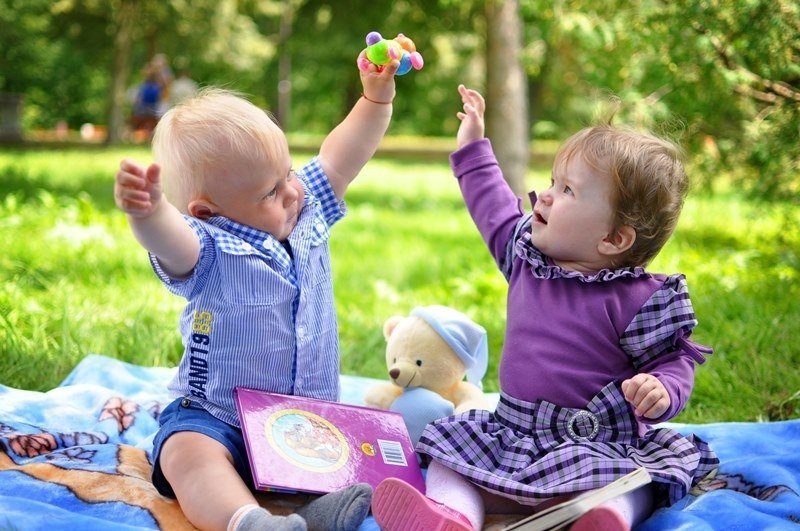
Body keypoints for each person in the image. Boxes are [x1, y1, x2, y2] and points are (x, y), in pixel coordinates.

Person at [371, 85, 719, 531]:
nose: (547, 195)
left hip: (593, 447)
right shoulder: (525, 258)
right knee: (448, 454)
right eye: (554, 181)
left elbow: (674, 361)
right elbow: (494, 207)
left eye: (568, 190)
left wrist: (662, 388)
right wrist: (473, 147)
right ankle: (451, 516)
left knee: (634, 482)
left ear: (614, 238)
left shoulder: (639, 299)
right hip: (513, 436)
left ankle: (606, 518)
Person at [114, 58, 400, 531]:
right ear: (207, 212)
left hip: (307, 421)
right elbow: (170, 240)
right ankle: (249, 522)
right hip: (219, 416)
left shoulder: (303, 209)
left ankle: (315, 514)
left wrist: (375, 98)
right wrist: (148, 213)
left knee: (361, 456)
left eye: (288, 173)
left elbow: (340, 156)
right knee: (186, 453)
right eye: (270, 191)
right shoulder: (208, 245)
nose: (291, 192)